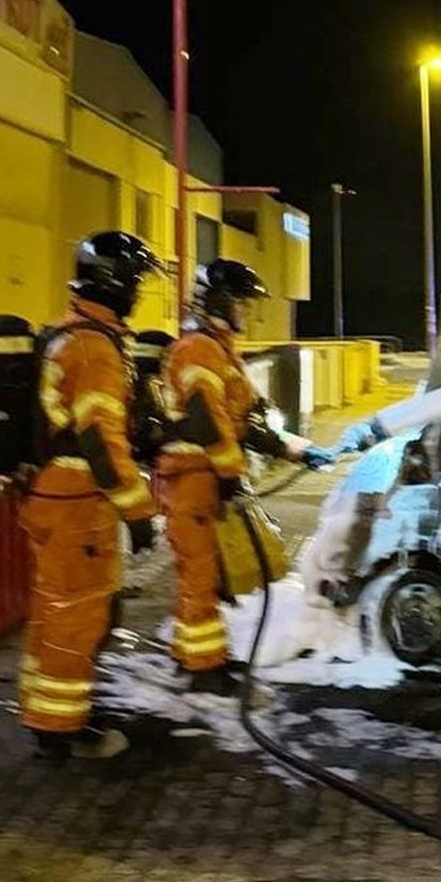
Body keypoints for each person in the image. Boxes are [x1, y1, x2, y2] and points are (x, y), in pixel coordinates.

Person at [158, 259, 337, 694]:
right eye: (242, 303)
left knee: (208, 577)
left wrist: (297, 450)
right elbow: (206, 422)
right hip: (192, 479)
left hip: (204, 477)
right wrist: (231, 473)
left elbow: (247, 423)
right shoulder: (199, 349)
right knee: (201, 577)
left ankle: (196, 657)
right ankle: (203, 671)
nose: (247, 313)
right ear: (221, 301)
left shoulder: (219, 349)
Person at [21, 231, 163, 759]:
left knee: (54, 610)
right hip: (78, 500)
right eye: (136, 281)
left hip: (51, 493)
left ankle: (50, 710)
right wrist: (138, 510)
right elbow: (100, 439)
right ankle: (60, 729)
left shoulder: (66, 332)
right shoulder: (94, 347)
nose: (138, 293)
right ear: (114, 280)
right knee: (77, 615)